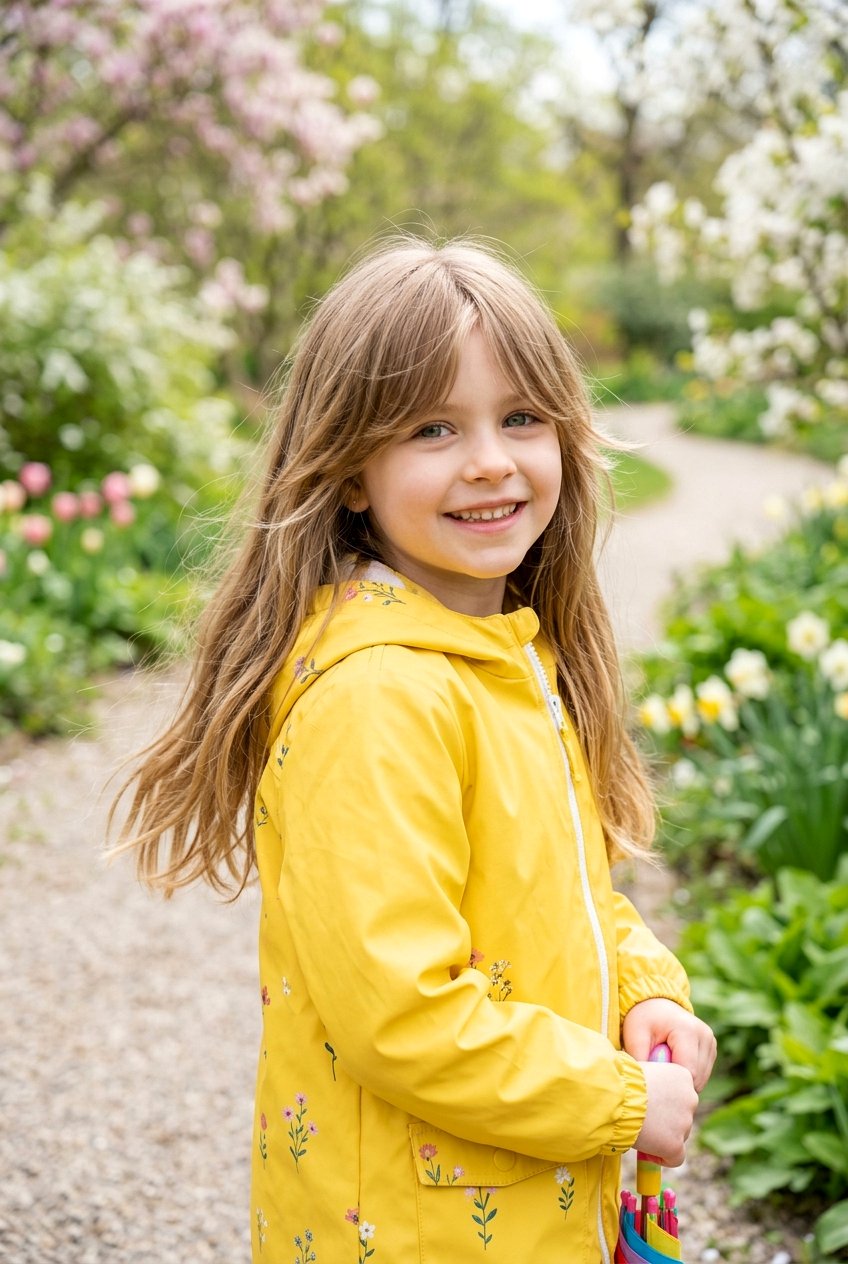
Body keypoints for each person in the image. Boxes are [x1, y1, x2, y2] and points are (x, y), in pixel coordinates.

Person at [114, 238, 716, 1263]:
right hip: (413, 1225)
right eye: (432, 427)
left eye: (519, 417)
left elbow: (556, 893)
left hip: (511, 1202)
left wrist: (639, 986)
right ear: (349, 473)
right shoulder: (381, 695)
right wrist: (619, 1099)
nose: (488, 458)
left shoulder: (497, 652)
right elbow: (401, 1012)